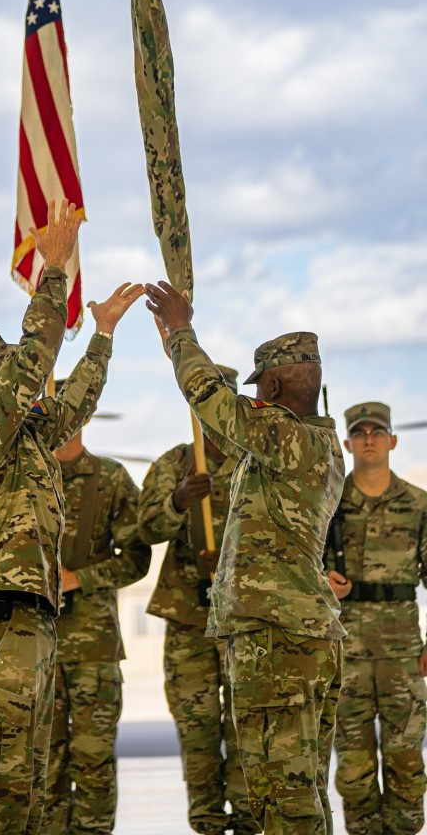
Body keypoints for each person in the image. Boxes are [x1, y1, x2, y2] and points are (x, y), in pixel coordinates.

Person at [0, 196, 144, 835]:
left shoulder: (25, 435)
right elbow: (36, 356)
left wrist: (104, 332)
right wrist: (53, 270)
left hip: (30, 622)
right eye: (9, 376)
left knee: (26, 784)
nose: (27, 385)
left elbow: (75, 403)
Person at [144, 279, 345, 835]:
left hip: (276, 637)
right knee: (298, 790)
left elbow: (214, 402)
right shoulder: (316, 443)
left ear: (274, 384)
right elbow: (215, 416)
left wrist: (183, 331)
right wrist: (177, 349)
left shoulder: (284, 435)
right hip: (298, 634)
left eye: (260, 390)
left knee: (279, 794)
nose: (254, 399)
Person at [137, 364, 255, 835]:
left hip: (246, 621)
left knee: (247, 730)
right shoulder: (175, 463)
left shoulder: (256, 462)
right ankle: (206, 823)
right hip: (189, 619)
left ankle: (249, 823)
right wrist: (179, 501)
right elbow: (145, 530)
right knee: (197, 730)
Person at [42, 421, 151, 835]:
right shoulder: (26, 478)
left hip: (93, 648)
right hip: (37, 648)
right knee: (44, 762)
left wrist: (80, 579)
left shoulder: (111, 479)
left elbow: (137, 557)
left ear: (85, 417)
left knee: (94, 761)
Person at [325, 401, 427, 835]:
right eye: (360, 432)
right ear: (347, 443)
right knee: (353, 765)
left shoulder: (419, 505)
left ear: (393, 440)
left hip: (402, 651)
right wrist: (322, 580)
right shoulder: (327, 506)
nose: (369, 438)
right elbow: (300, 567)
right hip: (346, 651)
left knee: (406, 758)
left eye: (378, 431)